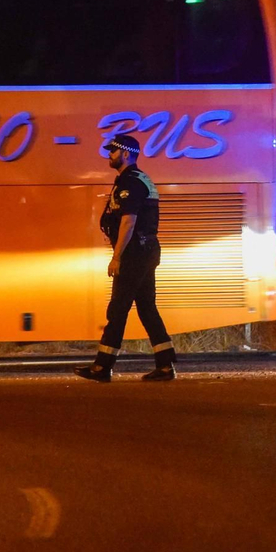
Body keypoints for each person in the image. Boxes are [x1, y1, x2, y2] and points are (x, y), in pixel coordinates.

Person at [75, 133, 177, 382]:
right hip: (145, 250)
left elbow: (128, 222)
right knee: (147, 308)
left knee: (118, 308)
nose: (109, 155)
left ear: (126, 153)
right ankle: (165, 365)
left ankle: (102, 367)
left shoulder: (131, 182)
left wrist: (117, 257)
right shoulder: (135, 179)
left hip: (134, 253)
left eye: (113, 151)